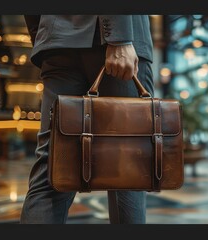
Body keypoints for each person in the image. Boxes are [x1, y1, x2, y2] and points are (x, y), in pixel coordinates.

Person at [20, 15, 154, 224]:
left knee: (52, 168)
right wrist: (119, 38)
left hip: (58, 42)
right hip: (115, 41)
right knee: (129, 164)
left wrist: (45, 34)